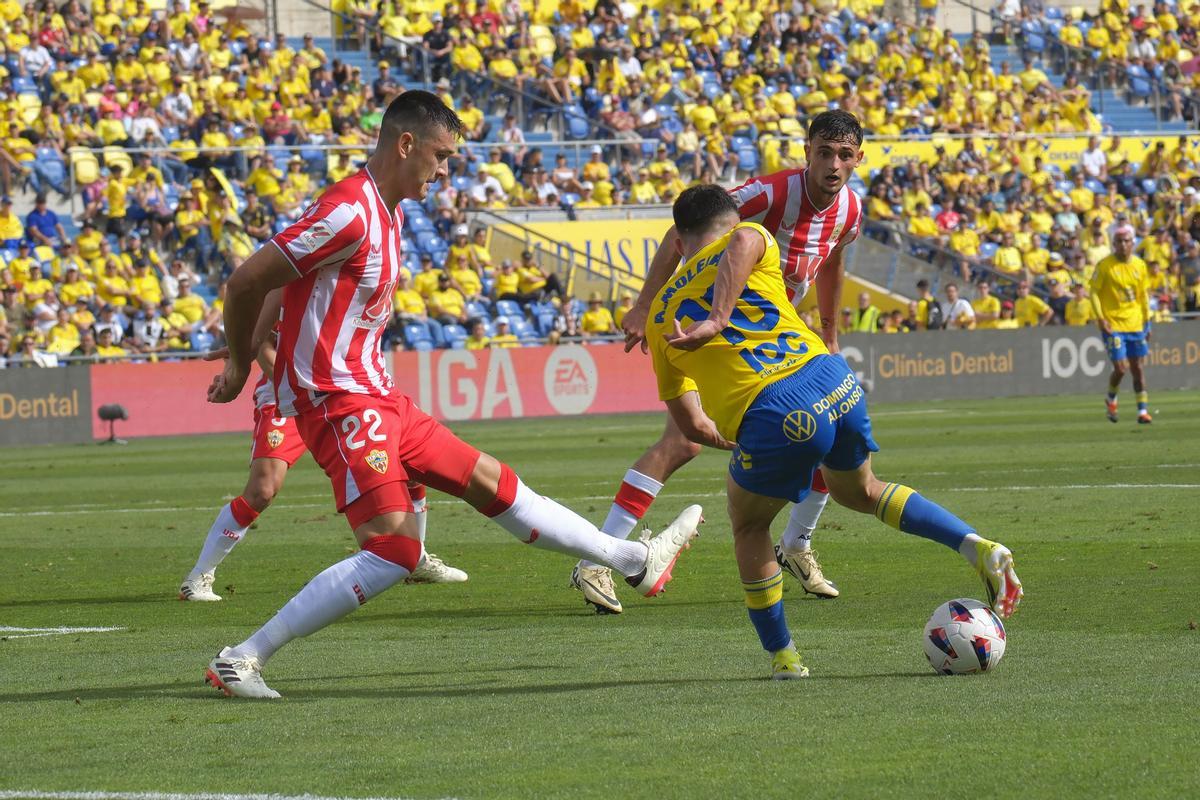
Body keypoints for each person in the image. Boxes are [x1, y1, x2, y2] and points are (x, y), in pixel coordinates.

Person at [202, 91, 702, 699]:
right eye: (440, 156)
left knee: (494, 482)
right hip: (340, 403)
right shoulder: (348, 212)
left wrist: (256, 356)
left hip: (379, 397)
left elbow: (284, 287)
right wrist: (239, 363)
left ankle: (631, 562)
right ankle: (241, 659)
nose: (444, 171)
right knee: (393, 551)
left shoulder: (387, 210)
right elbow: (248, 280)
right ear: (405, 144)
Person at [645, 184, 1023, 678]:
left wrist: (718, 331)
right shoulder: (757, 234)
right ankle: (973, 544)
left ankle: (784, 658)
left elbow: (690, 423)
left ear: (678, 243)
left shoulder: (660, 319)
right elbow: (743, 243)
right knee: (862, 490)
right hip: (832, 378)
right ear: (734, 218)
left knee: (750, 524)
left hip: (775, 409)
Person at [574, 110, 867, 616]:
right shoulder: (767, 195)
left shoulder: (850, 212)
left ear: (858, 159)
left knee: (834, 425)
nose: (833, 164)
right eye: (824, 152)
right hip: (715, 326)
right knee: (682, 440)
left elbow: (834, 264)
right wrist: (645, 306)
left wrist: (832, 335)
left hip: (776, 337)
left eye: (844, 155)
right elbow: (684, 232)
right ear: (806, 152)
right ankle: (597, 557)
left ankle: (796, 546)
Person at [180, 341, 468, 602]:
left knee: (408, 465)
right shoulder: (284, 286)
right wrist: (237, 369)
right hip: (288, 398)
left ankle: (416, 561)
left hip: (354, 392)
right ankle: (198, 577)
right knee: (262, 490)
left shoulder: (357, 287)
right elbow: (258, 338)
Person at [1090, 226, 1152, 424]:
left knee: (1138, 368)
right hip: (1113, 324)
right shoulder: (1104, 266)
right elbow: (1093, 293)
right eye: (1119, 242)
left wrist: (1147, 322)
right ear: (1113, 244)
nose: (1123, 245)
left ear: (1133, 242)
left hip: (1135, 324)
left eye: (1126, 241)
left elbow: (1143, 296)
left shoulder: (1140, 265)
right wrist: (1101, 318)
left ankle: (1142, 411)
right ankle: (1111, 398)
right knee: (1121, 368)